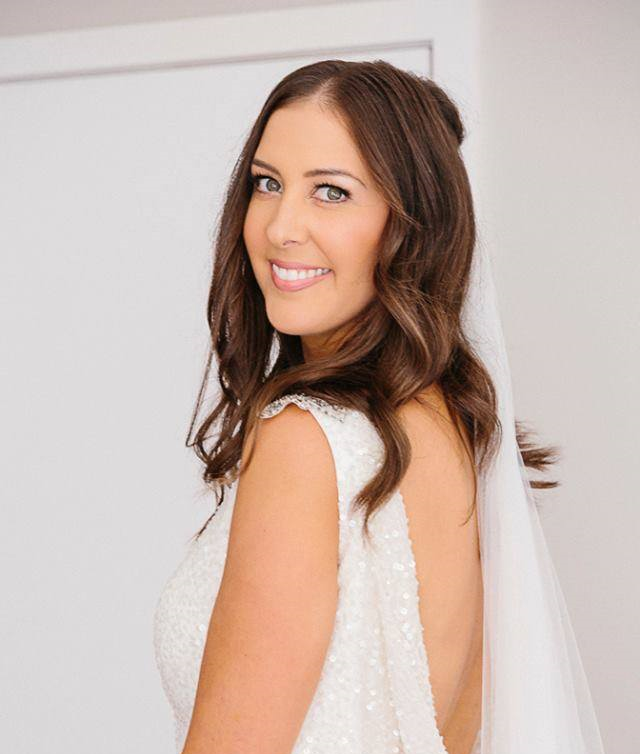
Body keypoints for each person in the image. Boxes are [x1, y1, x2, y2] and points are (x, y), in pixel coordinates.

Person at [153, 59, 606, 754]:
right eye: (267, 183)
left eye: (331, 192)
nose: (280, 228)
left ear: (413, 226)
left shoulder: (307, 441)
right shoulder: (458, 427)